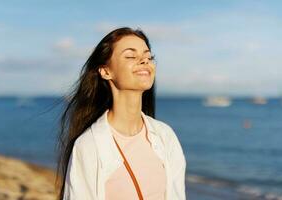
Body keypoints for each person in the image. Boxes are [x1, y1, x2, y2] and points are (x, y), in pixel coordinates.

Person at [56, 27, 187, 200]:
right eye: (131, 56)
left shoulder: (165, 136)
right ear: (105, 71)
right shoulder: (88, 145)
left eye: (149, 57)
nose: (144, 61)